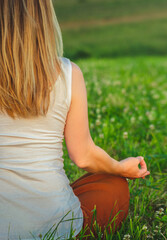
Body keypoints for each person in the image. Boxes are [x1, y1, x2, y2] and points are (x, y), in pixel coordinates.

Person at [0, 0, 150, 239]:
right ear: (44, 17)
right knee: (113, 185)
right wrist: (120, 167)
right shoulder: (68, 73)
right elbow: (83, 155)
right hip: (56, 224)